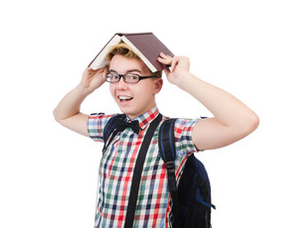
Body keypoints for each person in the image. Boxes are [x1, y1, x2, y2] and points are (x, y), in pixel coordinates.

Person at [53, 42, 258, 227]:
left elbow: (243, 122)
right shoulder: (111, 126)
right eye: (115, 76)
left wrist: (184, 79)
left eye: (133, 77)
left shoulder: (174, 133)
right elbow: (63, 115)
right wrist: (84, 88)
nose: (120, 86)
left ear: (156, 85)